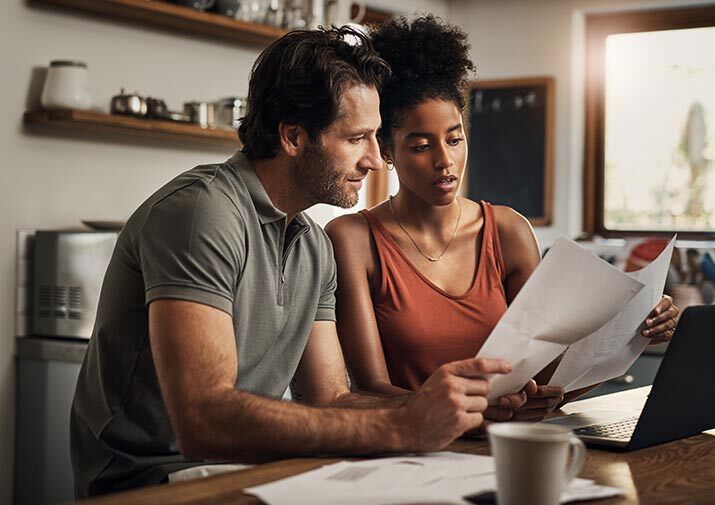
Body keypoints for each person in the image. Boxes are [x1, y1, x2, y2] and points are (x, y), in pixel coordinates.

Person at [70, 26, 518, 498]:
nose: (375, 160)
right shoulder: (202, 213)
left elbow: (332, 399)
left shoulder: (312, 245)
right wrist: (401, 427)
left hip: (244, 471)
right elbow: (203, 420)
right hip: (149, 481)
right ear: (293, 137)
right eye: (357, 138)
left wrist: (443, 409)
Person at [325, 16, 680, 424]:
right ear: (385, 150)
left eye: (455, 139)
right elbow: (370, 390)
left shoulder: (508, 231)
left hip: (508, 446)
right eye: (421, 145)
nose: (445, 161)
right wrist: (477, 413)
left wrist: (634, 332)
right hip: (411, 453)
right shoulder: (353, 239)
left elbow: (548, 376)